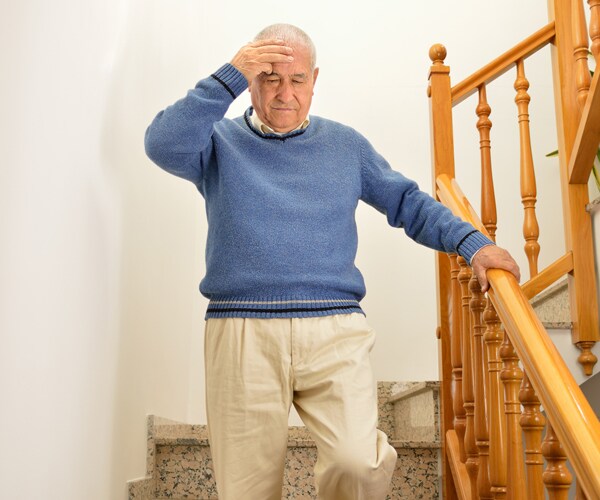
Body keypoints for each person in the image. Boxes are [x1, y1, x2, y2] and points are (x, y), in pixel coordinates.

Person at [144, 23, 520, 500]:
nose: (284, 94)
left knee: (358, 464)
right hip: (241, 330)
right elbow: (162, 143)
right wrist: (230, 74)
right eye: (269, 78)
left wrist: (472, 243)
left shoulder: (345, 146)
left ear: (314, 79)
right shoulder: (217, 142)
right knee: (245, 490)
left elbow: (408, 203)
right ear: (251, 82)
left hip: (334, 328)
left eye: (296, 80)